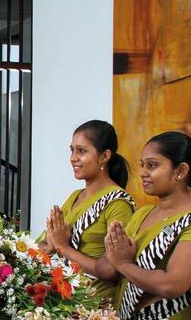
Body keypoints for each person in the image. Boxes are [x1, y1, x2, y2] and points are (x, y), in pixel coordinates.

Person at [101, 131, 191, 320]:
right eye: (142, 164)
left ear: (181, 171)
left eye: (152, 165)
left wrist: (123, 263)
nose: (143, 172)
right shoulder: (141, 214)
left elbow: (171, 285)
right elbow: (110, 266)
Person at [41, 120, 135, 301]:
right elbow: (46, 244)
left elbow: (111, 270)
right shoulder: (75, 196)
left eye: (82, 151)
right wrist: (52, 246)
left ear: (105, 156)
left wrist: (63, 248)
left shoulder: (118, 203)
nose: (73, 158)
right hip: (61, 299)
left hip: (95, 308)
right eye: (72, 150)